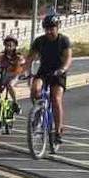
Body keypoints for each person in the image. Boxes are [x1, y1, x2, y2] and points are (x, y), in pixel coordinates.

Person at [27, 13, 72, 145]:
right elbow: (30, 58)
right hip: (44, 71)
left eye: (52, 28)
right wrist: (19, 70)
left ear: (58, 27)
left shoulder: (63, 41)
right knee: (35, 89)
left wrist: (63, 69)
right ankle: (38, 110)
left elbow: (68, 58)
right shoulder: (39, 41)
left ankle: (57, 131)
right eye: (47, 28)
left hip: (58, 72)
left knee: (56, 99)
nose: (49, 31)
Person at [0, 35, 26, 117]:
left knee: (10, 85)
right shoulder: (1, 56)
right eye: (7, 45)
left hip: (13, 76)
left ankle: (15, 103)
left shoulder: (18, 56)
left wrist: (21, 64)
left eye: (11, 45)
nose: (9, 47)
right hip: (4, 75)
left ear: (15, 46)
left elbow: (23, 61)